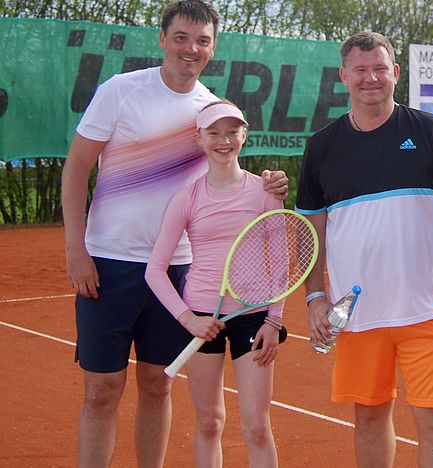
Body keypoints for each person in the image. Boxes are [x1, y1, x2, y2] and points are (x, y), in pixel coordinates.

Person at [60, 2, 288, 466]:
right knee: (102, 389)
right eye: (181, 37)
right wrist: (76, 250)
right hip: (108, 263)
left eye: (202, 41)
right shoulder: (120, 90)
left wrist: (270, 183)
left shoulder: (211, 111)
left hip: (177, 271)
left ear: (213, 47)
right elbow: (77, 166)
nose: (191, 49)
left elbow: (227, 175)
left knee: (157, 384)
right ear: (162, 39)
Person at [295, 32, 433, 468]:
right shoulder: (321, 146)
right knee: (369, 417)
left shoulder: (430, 131)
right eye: (360, 70)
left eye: (379, 68)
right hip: (358, 314)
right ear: (344, 76)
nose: (371, 78)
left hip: (430, 310)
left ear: (395, 73)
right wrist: (315, 296)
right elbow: (310, 231)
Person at [145, 100, 284, 467]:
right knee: (209, 422)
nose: (224, 141)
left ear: (244, 135)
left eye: (232, 132)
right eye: (214, 133)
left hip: (254, 318)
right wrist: (189, 319)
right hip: (201, 318)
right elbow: (155, 270)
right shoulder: (186, 198)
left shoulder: (266, 192)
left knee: (257, 426)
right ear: (200, 139)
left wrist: (274, 320)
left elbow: (281, 265)